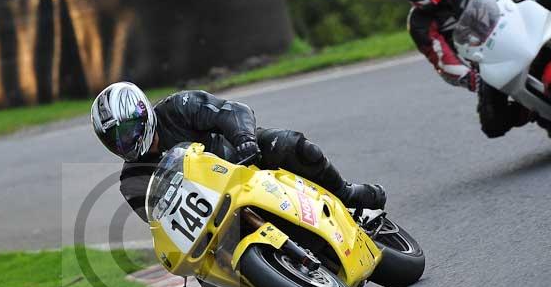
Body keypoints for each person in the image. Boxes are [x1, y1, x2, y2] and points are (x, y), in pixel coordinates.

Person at [90, 82, 387, 222]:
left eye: (126, 131)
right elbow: (157, 222)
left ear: (142, 114)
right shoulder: (132, 181)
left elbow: (231, 111)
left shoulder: (178, 108)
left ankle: (345, 194)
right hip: (213, 217)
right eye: (113, 139)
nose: (124, 142)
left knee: (291, 144)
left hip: (243, 161)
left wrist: (244, 139)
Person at [401, 0, 550, 138]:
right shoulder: (417, 23)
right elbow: (442, 59)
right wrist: (471, 78)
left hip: (521, 24)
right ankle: (532, 109)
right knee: (493, 124)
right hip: (488, 63)